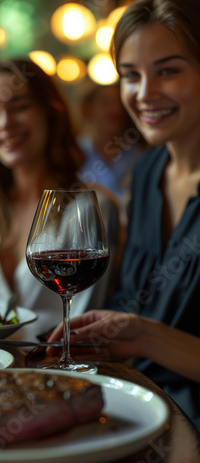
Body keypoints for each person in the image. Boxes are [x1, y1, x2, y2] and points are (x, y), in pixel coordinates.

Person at [48, 0, 200, 429]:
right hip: (136, 403)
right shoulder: (147, 171)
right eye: (130, 75)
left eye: (168, 70)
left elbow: (148, 330)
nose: (145, 93)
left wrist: (146, 336)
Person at [0, 58, 122, 341]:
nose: (5, 123)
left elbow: (85, 318)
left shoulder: (91, 209)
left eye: (20, 107)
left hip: (59, 368)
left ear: (50, 113)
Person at [76, 80, 145, 209]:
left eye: (118, 102)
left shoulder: (138, 155)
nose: (115, 109)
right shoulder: (73, 153)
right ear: (87, 109)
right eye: (105, 102)